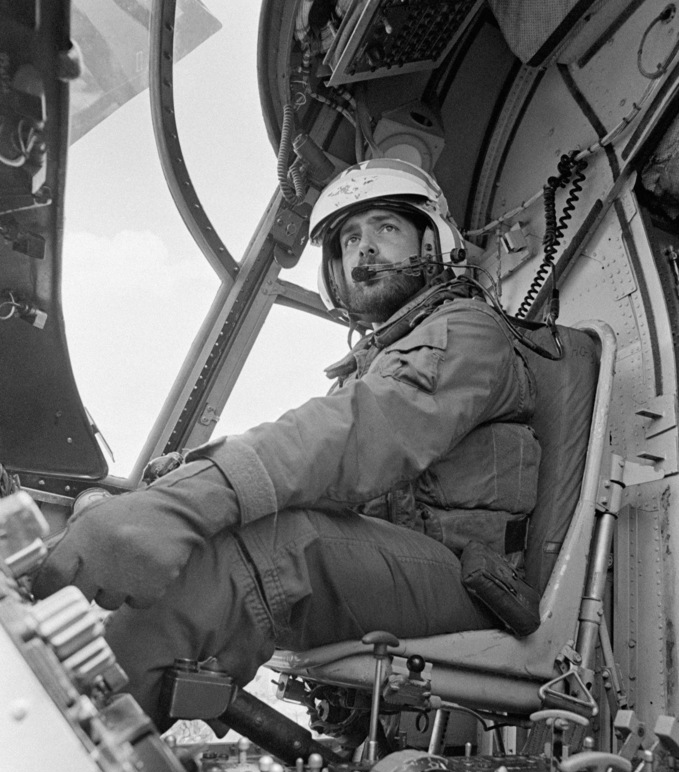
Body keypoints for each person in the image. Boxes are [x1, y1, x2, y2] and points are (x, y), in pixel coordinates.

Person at [33, 159, 540, 734]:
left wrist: (188, 501)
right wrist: (176, 484)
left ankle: (78, 751)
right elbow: (323, 460)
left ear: (432, 241)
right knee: (214, 536)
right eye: (350, 239)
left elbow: (359, 435)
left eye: (385, 229)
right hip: (394, 568)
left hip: (470, 586)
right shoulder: (372, 366)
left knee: (265, 551)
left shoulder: (469, 332)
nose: (364, 251)